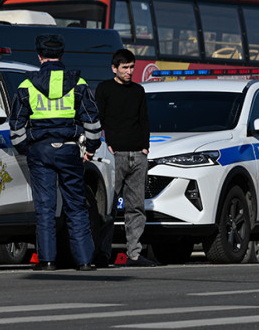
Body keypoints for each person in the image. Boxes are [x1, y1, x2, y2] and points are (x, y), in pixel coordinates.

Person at [9, 33, 102, 271]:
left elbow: (16, 127)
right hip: (70, 149)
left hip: (40, 151)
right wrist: (90, 148)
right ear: (61, 55)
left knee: (45, 208)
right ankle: (84, 260)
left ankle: (47, 261)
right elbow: (92, 122)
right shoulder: (78, 83)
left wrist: (26, 149)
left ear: (39, 56)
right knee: (77, 206)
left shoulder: (26, 85)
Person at [95, 48, 157, 267]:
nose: (130, 72)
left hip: (137, 155)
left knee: (136, 207)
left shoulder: (138, 91)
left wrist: (145, 148)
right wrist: (106, 145)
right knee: (108, 208)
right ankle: (102, 254)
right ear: (114, 68)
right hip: (115, 155)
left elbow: (144, 120)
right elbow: (98, 120)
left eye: (132, 67)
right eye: (125, 68)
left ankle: (133, 254)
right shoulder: (104, 89)